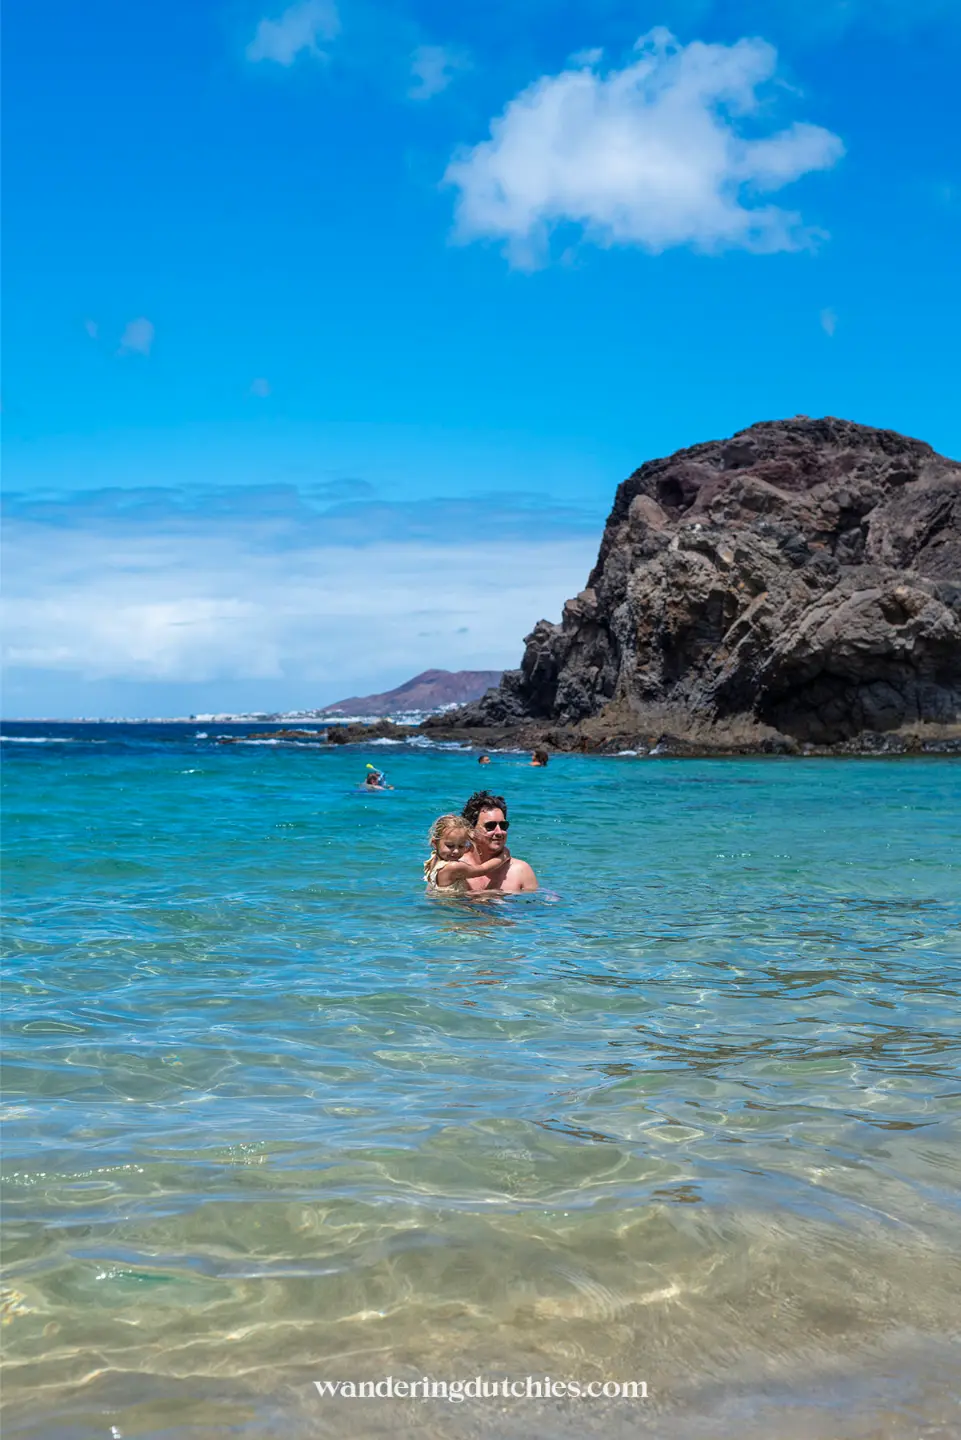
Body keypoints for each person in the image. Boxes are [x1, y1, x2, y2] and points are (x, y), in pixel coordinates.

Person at [460, 791, 538, 893]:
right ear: (471, 831)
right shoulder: (456, 867)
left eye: (503, 826)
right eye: (490, 826)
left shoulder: (520, 870)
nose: (499, 832)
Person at [424, 813, 514, 893]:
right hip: (452, 905)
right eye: (450, 846)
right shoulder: (454, 867)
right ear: (434, 843)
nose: (456, 851)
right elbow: (482, 870)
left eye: (461, 846)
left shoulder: (433, 859)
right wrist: (503, 857)